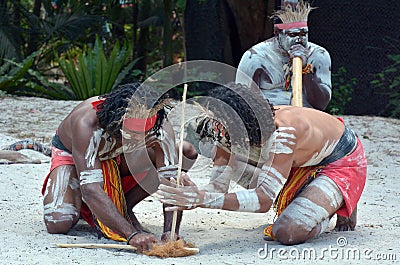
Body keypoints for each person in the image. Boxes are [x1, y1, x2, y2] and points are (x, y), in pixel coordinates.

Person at [157, 82, 367, 245]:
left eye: (220, 125)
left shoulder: (285, 131)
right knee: (237, 165)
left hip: (339, 162)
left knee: (287, 232)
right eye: (214, 122)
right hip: (297, 164)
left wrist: (200, 199)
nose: (214, 129)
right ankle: (311, 196)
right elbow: (218, 187)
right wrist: (193, 192)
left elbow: (264, 200)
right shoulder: (224, 130)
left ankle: (336, 201)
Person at [41, 82, 198, 252]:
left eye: (143, 135)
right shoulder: (88, 123)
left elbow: (169, 181)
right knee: (58, 221)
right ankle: (86, 204)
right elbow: (91, 188)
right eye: (133, 133)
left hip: (120, 155)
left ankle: (123, 207)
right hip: (75, 155)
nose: (138, 139)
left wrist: (171, 232)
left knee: (184, 153)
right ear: (119, 120)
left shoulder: (159, 125)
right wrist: (131, 235)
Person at [235, 0, 332, 110]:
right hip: (268, 117)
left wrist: (305, 70)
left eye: (304, 34)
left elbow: (321, 105)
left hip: (308, 119)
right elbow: (243, 103)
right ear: (277, 33)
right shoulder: (255, 57)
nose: (299, 39)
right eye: (293, 34)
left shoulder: (318, 55)